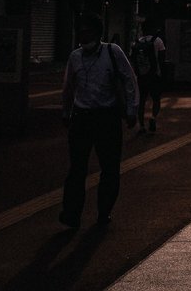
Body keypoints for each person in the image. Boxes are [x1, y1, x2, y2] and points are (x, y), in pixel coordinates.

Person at [59, 13, 138, 229]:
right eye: (81, 31)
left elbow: (129, 79)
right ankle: (71, 214)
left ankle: (104, 212)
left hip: (107, 116)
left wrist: (132, 110)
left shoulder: (112, 52)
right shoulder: (75, 56)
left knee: (110, 168)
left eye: (88, 31)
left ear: (97, 33)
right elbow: (68, 87)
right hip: (81, 117)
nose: (83, 35)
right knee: (77, 168)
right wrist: (66, 112)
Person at [130, 21, 166, 133]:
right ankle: (153, 118)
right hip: (154, 75)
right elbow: (162, 59)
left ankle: (141, 126)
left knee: (141, 101)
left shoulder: (138, 42)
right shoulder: (158, 41)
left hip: (141, 77)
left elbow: (133, 60)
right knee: (156, 99)